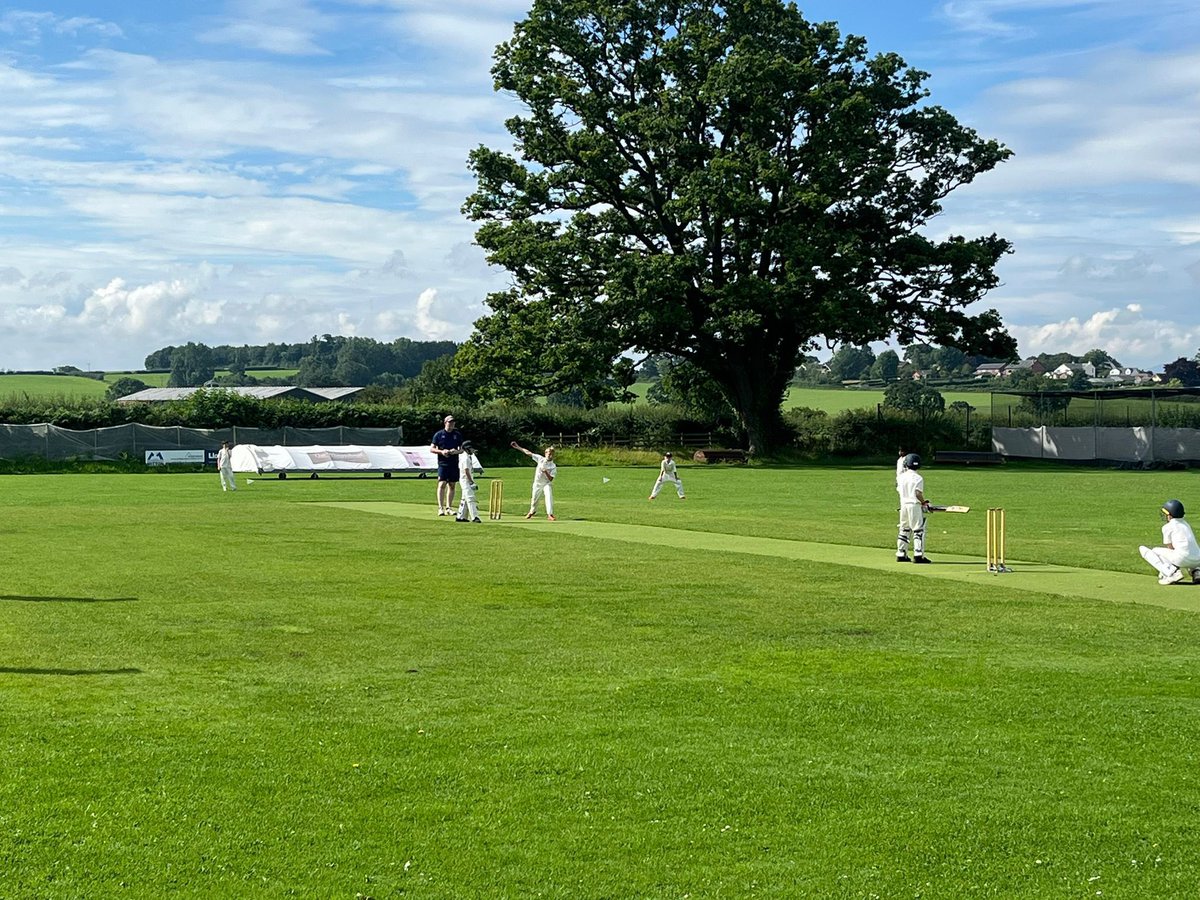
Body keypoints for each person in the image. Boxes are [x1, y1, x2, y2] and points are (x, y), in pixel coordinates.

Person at [1139, 499, 1200, 585]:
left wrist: (1173, 566)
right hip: (1198, 560)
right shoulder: (1186, 524)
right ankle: (1197, 572)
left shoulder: (1167, 527)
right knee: (1189, 550)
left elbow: (1170, 547)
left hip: (1182, 559)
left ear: (1170, 515)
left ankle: (1171, 573)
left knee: (1153, 550)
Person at [896, 452, 930, 563]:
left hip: (903, 505)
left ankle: (901, 553)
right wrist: (924, 502)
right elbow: (917, 493)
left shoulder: (901, 477)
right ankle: (918, 554)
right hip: (914, 505)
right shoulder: (918, 478)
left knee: (904, 528)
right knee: (917, 530)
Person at [511, 441, 557, 521]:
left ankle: (550, 514)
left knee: (549, 496)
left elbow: (551, 479)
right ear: (545, 454)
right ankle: (532, 511)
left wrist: (545, 471)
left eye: (552, 454)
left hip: (546, 483)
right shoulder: (540, 459)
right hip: (537, 483)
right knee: (534, 500)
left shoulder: (553, 466)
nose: (550, 455)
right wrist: (518, 447)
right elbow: (528, 453)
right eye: (549, 454)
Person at [430, 414, 464, 516]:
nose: (452, 424)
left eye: (453, 422)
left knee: (452, 485)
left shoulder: (457, 435)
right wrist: (442, 452)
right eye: (450, 422)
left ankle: (449, 507)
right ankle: (440, 508)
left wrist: (455, 452)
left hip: (453, 462)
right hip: (443, 463)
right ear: (445, 423)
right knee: (442, 483)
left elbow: (462, 449)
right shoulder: (439, 434)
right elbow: (432, 448)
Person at [455, 441, 483, 523]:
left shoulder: (466, 456)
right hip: (465, 480)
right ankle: (475, 517)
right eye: (472, 448)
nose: (473, 450)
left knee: (465, 498)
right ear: (467, 449)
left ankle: (461, 517)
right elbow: (466, 470)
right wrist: (471, 482)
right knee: (470, 498)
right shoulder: (465, 457)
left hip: (466, 479)